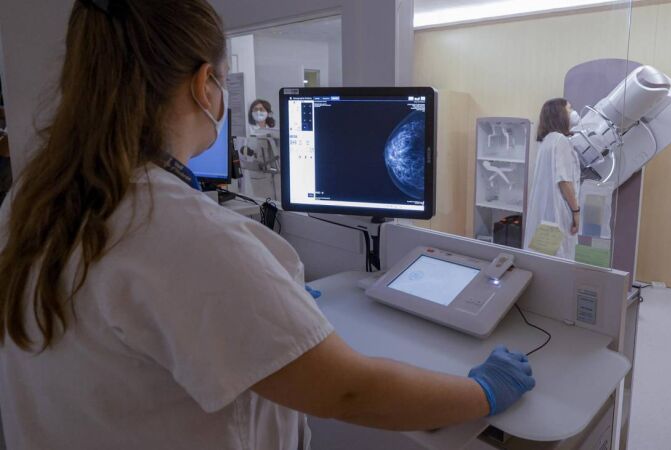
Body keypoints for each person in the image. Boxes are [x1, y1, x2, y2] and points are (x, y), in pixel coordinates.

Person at [0, 1, 534, 449]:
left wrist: (263, 299)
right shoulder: (178, 232)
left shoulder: (32, 199)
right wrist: (481, 392)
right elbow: (348, 391)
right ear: (205, 85)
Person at [525, 98, 582, 260]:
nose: (573, 113)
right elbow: (564, 181)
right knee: (560, 259)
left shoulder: (547, 141)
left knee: (545, 259)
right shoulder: (560, 140)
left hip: (546, 216)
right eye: (569, 109)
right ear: (560, 114)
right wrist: (576, 211)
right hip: (558, 214)